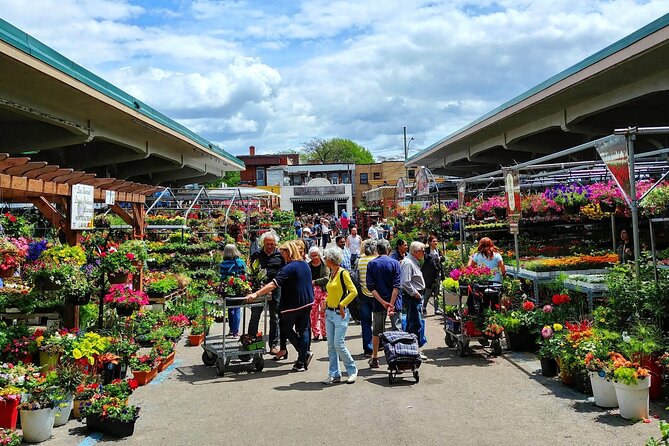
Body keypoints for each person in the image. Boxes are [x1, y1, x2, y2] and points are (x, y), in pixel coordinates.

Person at [246, 241, 314, 372]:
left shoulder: (289, 267)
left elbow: (274, 284)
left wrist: (256, 294)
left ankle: (303, 353)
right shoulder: (304, 264)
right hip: (307, 302)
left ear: (289, 252)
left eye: (283, 253)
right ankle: (301, 360)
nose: (282, 256)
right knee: (303, 329)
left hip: (293, 304)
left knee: (285, 328)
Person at [321, 247, 358, 384]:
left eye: (325, 258)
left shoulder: (343, 273)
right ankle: (334, 374)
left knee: (338, 344)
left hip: (339, 313)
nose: (324, 260)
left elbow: (353, 291)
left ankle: (352, 370)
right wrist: (326, 302)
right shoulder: (332, 273)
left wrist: (342, 304)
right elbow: (333, 292)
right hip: (330, 313)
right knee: (331, 346)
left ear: (330, 260)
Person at [365, 239, 402, 369]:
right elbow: (396, 286)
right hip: (395, 303)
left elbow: (371, 287)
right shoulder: (395, 263)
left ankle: (374, 358)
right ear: (388, 250)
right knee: (397, 330)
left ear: (377, 251)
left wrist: (383, 302)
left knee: (377, 331)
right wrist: (391, 304)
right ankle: (398, 359)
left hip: (378, 303)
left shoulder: (372, 264)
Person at [249, 231, 286, 357]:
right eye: (267, 244)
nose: (269, 246)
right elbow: (252, 272)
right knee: (255, 315)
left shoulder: (280, 255)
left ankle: (273, 345)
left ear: (275, 244)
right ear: (263, 243)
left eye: (272, 244)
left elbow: (283, 272)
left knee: (274, 317)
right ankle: (250, 341)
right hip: (259, 288)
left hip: (276, 289)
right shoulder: (256, 255)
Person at [401, 242, 428, 360]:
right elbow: (405, 282)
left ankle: (411, 350)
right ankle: (413, 351)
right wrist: (415, 293)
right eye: (422, 250)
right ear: (415, 252)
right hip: (412, 298)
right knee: (414, 324)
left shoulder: (412, 261)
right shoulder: (408, 262)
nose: (424, 253)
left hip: (415, 297)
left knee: (414, 322)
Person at [219, 244, 247, 338]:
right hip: (238, 289)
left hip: (227, 289)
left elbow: (222, 277)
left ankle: (231, 329)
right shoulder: (240, 262)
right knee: (237, 309)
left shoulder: (223, 264)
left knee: (230, 309)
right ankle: (236, 331)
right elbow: (244, 275)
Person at [357, 240, 378, 357]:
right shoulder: (375, 260)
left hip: (363, 294)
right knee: (378, 322)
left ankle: (368, 349)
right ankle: (378, 345)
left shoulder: (359, 260)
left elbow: (357, 278)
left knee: (365, 322)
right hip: (376, 295)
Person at [309, 247, 329, 342]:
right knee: (313, 314)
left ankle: (325, 333)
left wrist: (315, 282)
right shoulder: (308, 265)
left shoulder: (325, 265)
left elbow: (327, 278)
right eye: (312, 256)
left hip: (324, 291)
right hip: (312, 292)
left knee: (324, 313)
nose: (314, 258)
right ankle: (316, 333)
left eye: (316, 255)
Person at [421, 235, 444, 316]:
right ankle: (423, 307)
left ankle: (436, 309)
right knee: (428, 292)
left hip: (437, 273)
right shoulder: (427, 250)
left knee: (437, 292)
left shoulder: (437, 250)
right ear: (430, 242)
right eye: (434, 241)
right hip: (429, 275)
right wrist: (437, 258)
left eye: (436, 241)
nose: (435, 243)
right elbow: (427, 258)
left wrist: (438, 258)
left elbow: (443, 258)